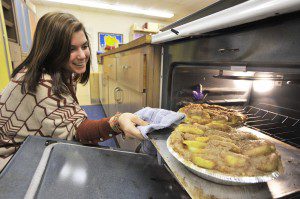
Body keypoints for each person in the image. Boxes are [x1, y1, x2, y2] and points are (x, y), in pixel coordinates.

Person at [0, 12, 147, 171]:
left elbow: (68, 119)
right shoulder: (42, 84)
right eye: (71, 49)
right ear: (51, 50)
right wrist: (117, 122)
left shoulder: (56, 71)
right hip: (11, 159)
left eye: (84, 46)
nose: (83, 55)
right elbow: (79, 131)